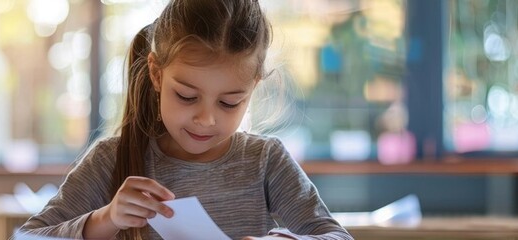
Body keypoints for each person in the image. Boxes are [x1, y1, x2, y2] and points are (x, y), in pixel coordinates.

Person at [19, 0, 352, 239]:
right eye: (187, 97)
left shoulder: (265, 161)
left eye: (229, 102)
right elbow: (30, 236)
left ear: (253, 88)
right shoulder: (110, 160)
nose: (206, 119)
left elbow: (335, 237)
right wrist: (106, 219)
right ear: (156, 74)